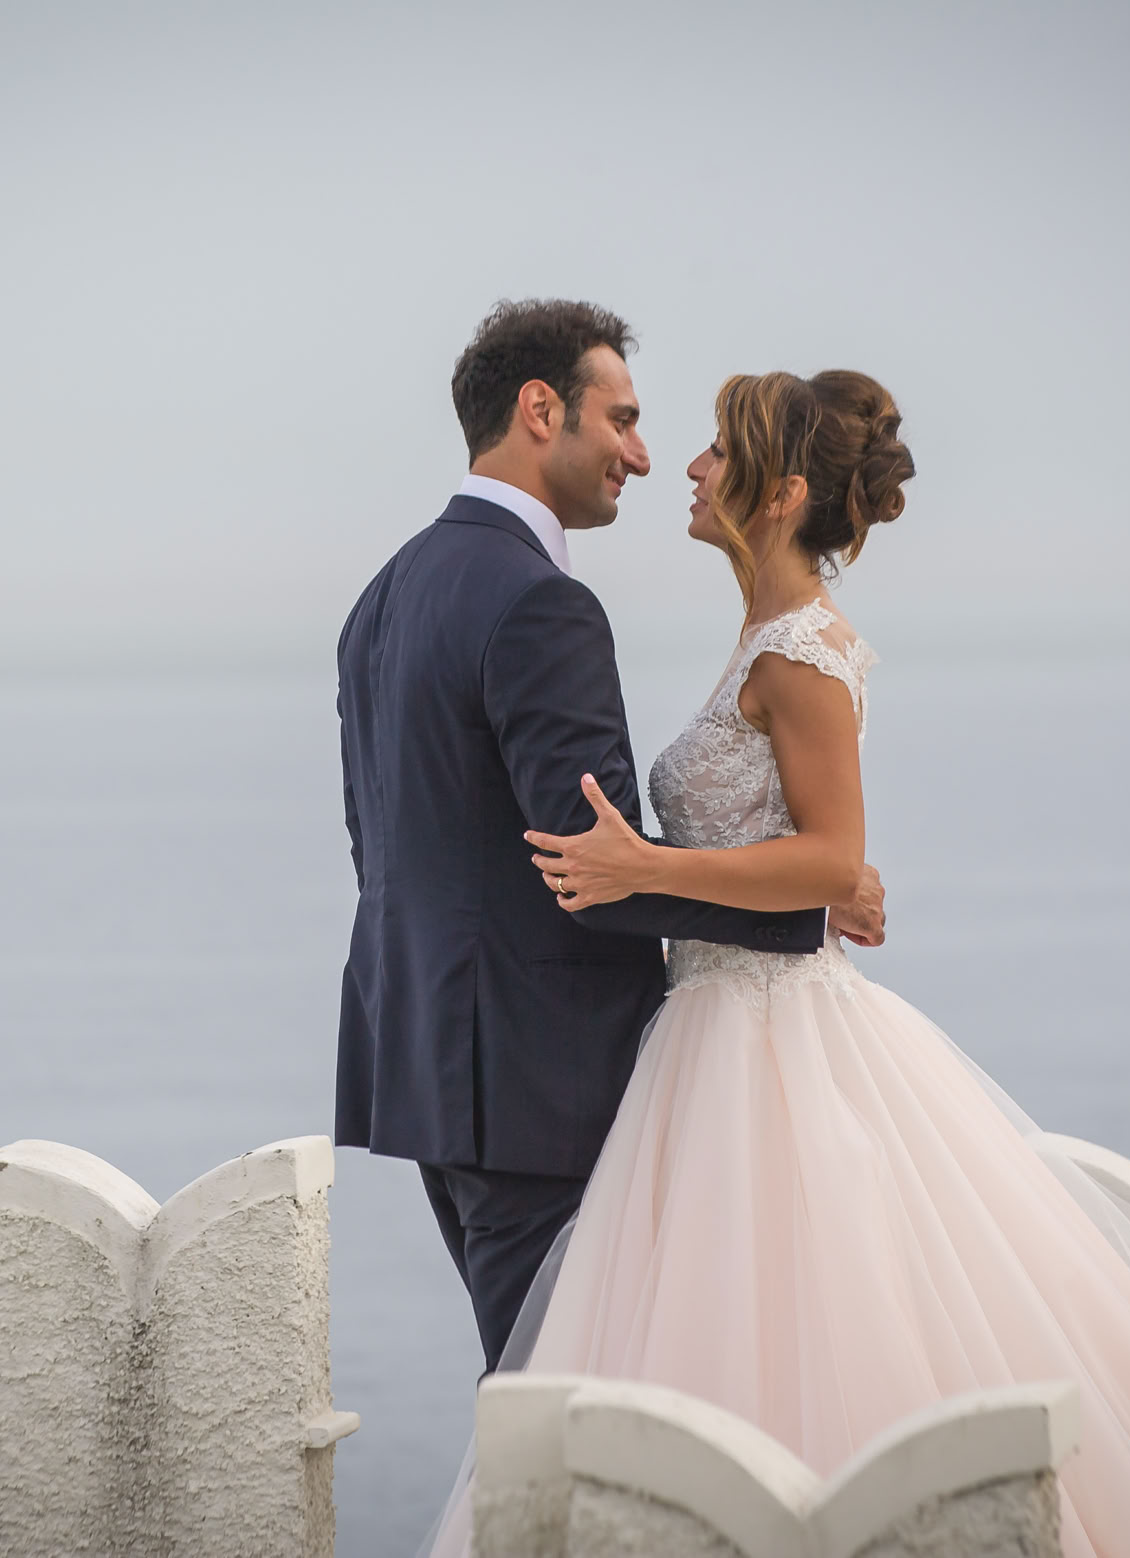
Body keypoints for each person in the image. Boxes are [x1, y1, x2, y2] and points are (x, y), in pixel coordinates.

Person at [467, 367, 1130, 1555]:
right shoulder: (761, 641)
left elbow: (828, 855)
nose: (692, 468)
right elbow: (812, 859)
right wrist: (777, 880)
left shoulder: (802, 651)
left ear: (781, 493)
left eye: (718, 450)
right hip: (709, 1026)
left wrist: (649, 868)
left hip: (768, 1040)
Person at [332, 300, 889, 1374]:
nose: (643, 456)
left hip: (423, 1072)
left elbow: (383, 846)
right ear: (542, 411)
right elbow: (588, 864)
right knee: (577, 1410)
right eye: (623, 420)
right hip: (539, 1089)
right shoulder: (541, 604)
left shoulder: (384, 595)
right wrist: (811, 903)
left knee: (549, 1390)